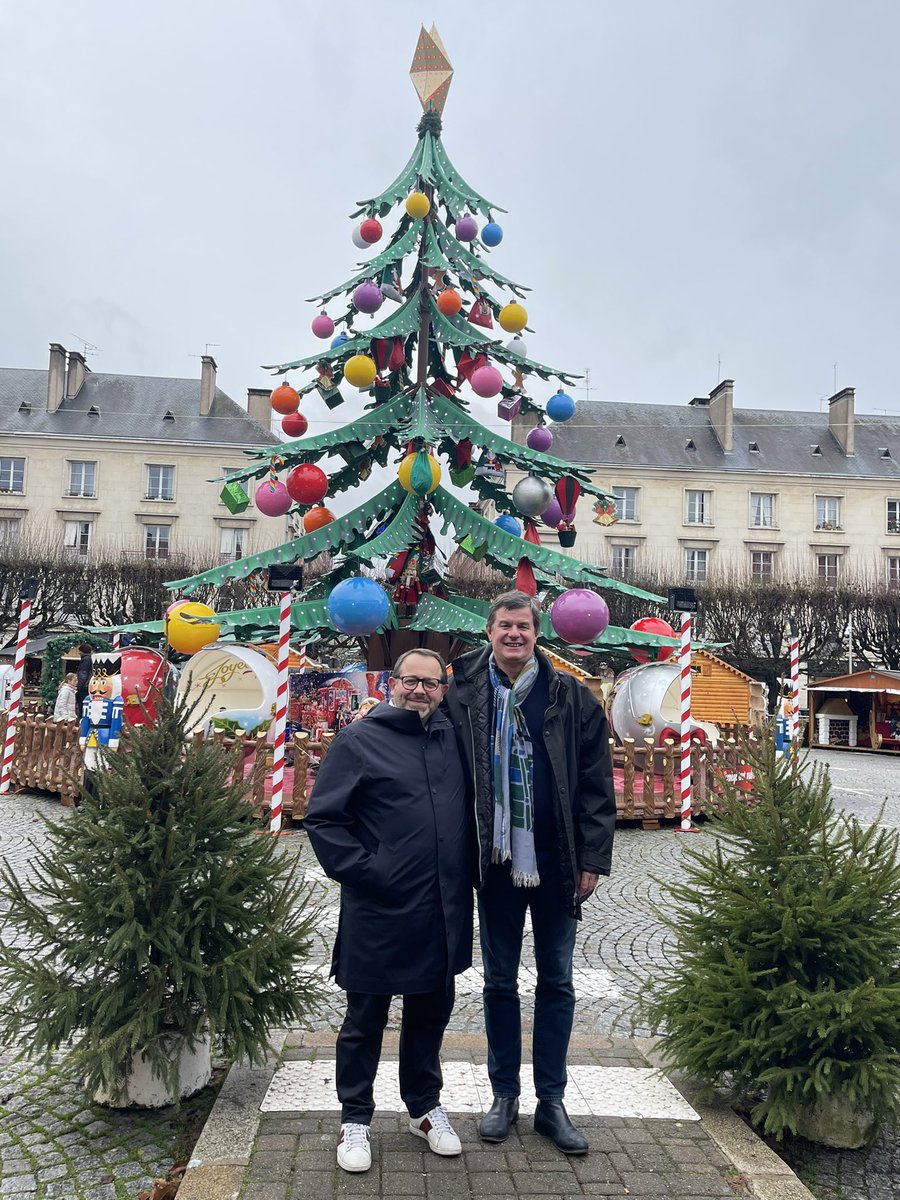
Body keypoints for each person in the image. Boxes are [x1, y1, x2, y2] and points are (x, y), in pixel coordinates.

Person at [445, 590, 616, 1156]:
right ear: (489, 632)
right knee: (498, 982)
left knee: (557, 981)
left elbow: (596, 783)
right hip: (495, 862)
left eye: (523, 626)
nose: (513, 634)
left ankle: (551, 1101)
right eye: (504, 626)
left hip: (557, 859)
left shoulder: (571, 695)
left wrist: (593, 858)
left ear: (537, 633)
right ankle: (504, 1095)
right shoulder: (464, 691)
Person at [304, 649, 472, 1175]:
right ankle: (354, 1116)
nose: (419, 690)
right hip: (379, 906)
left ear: (443, 689)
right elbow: (324, 819)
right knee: (364, 1020)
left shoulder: (453, 739)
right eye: (410, 680)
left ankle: (424, 1106)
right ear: (391, 683)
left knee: (430, 1014)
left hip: (440, 906)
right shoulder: (359, 740)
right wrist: (369, 871)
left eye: (431, 683)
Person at [74, 643, 94, 715]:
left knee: (81, 707)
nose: (79, 653)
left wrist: (78, 687)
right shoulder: (91, 659)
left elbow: (83, 674)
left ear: (83, 651)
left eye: (80, 651)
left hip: (83, 688)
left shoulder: (85, 660)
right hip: (88, 687)